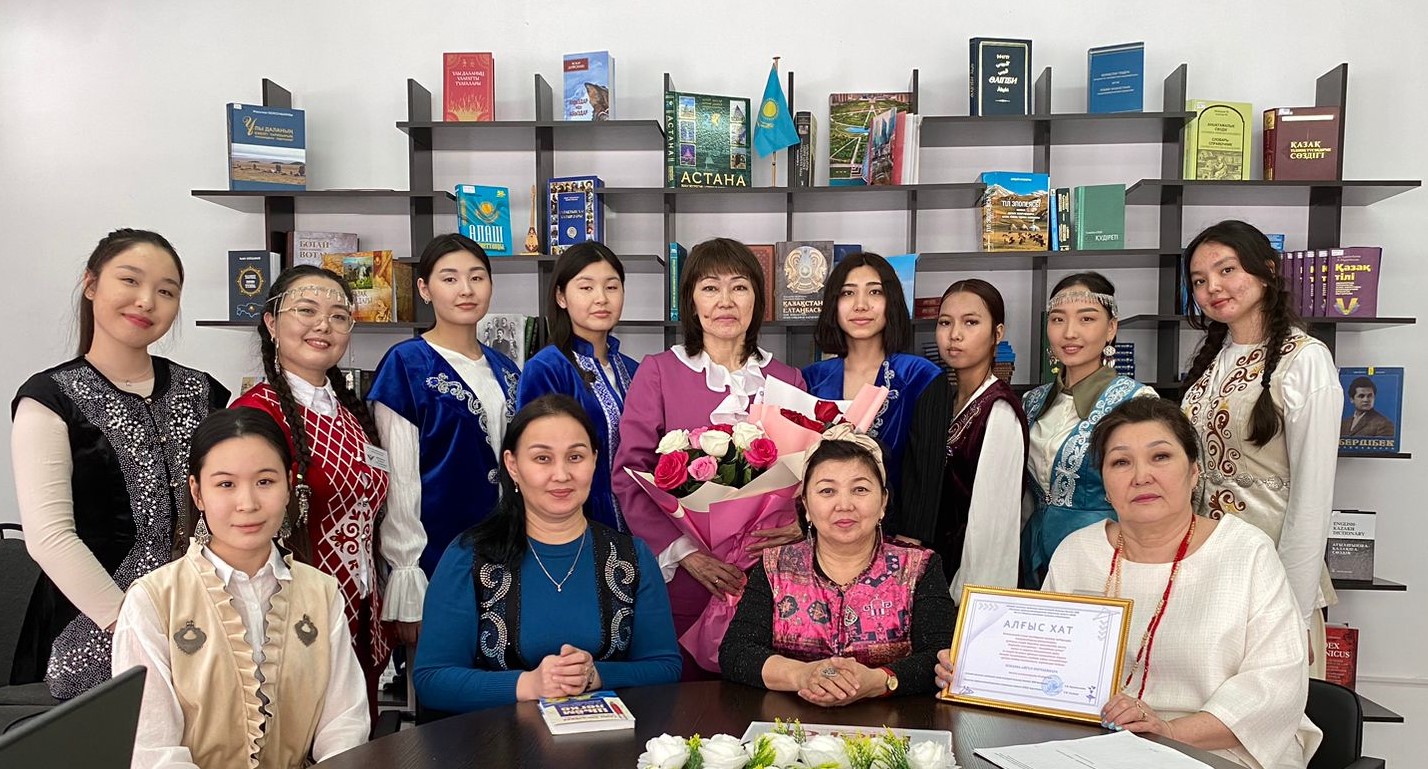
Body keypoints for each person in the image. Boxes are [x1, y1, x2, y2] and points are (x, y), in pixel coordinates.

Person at [939, 397, 1322, 769]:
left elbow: (1275, 687)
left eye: (1161, 457)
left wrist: (1168, 731)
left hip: (1216, 750)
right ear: (1105, 485)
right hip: (1091, 746)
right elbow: (1045, 666)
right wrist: (978, 672)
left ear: (1194, 472)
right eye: (1121, 462)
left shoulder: (1246, 553)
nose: (1141, 476)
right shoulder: (1078, 552)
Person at [11, 228, 229, 699]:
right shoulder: (49, 399)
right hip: (89, 626)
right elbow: (49, 537)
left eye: (166, 291)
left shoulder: (204, 392)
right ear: (91, 284)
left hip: (198, 619)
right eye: (130, 281)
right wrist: (131, 624)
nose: (146, 301)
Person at [112, 408, 368, 768]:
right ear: (197, 493)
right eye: (225, 484)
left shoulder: (322, 593)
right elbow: (152, 750)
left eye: (265, 481)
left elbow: (344, 723)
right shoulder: (153, 600)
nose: (248, 504)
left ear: (289, 484)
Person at [412, 395, 682, 715]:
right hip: (494, 741)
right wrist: (529, 685)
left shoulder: (631, 557)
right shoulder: (469, 556)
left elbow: (665, 666)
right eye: (542, 458)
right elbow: (433, 680)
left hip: (607, 741)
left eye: (575, 457)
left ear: (595, 460)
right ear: (513, 465)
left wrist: (594, 675)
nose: (561, 474)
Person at [612, 237, 806, 675]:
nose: (725, 301)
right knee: (683, 703)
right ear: (691, 301)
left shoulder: (788, 379)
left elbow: (809, 475)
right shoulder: (659, 372)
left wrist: (799, 525)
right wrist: (686, 553)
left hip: (769, 578)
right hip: (688, 580)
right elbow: (629, 475)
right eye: (710, 288)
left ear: (757, 300)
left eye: (739, 287)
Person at [1180, 220, 1341, 676]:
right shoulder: (1211, 360)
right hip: (1204, 569)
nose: (1212, 287)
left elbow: (1312, 499)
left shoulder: (1306, 360)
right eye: (1199, 280)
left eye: (1226, 270)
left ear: (1267, 271)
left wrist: (1292, 609)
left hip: (1270, 574)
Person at [230, 265, 390, 711]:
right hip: (289, 623)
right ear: (271, 322)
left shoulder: (353, 414)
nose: (324, 325)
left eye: (339, 316)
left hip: (359, 615)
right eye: (306, 310)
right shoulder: (254, 415)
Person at [367, 233, 522, 649]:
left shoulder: (507, 368)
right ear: (424, 288)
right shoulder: (406, 364)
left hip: (509, 551)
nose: (466, 290)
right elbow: (400, 479)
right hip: (439, 556)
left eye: (477, 277)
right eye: (450, 279)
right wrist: (407, 572)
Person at [720, 435, 954, 704]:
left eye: (860, 489)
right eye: (827, 491)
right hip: (789, 723)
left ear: (883, 502)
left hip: (894, 723)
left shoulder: (919, 566)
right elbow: (736, 652)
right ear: (806, 506)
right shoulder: (775, 565)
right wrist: (803, 675)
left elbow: (940, 656)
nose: (844, 505)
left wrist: (877, 681)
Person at [1021, 273, 1157, 587]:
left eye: (1087, 319)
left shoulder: (1136, 402)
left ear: (1111, 328)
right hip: (1035, 552)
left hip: (1105, 552)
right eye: (1058, 319)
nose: (1070, 332)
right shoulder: (1032, 402)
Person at [896, 279, 1026, 598]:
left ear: (997, 333)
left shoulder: (999, 410)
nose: (955, 334)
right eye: (945, 323)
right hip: (937, 570)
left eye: (970, 322)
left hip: (969, 583)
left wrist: (973, 598)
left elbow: (993, 527)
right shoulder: (945, 401)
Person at [517, 242, 638, 532]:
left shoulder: (634, 369)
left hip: (639, 521)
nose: (601, 298)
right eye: (586, 287)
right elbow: (537, 460)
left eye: (612, 287)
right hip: (574, 522)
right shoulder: (546, 369)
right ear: (561, 297)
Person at [802, 252, 942, 497]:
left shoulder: (920, 377)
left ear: (892, 301)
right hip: (823, 517)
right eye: (848, 293)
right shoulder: (811, 379)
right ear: (834, 304)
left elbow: (927, 477)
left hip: (897, 519)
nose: (861, 305)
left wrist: (907, 528)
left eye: (875, 292)